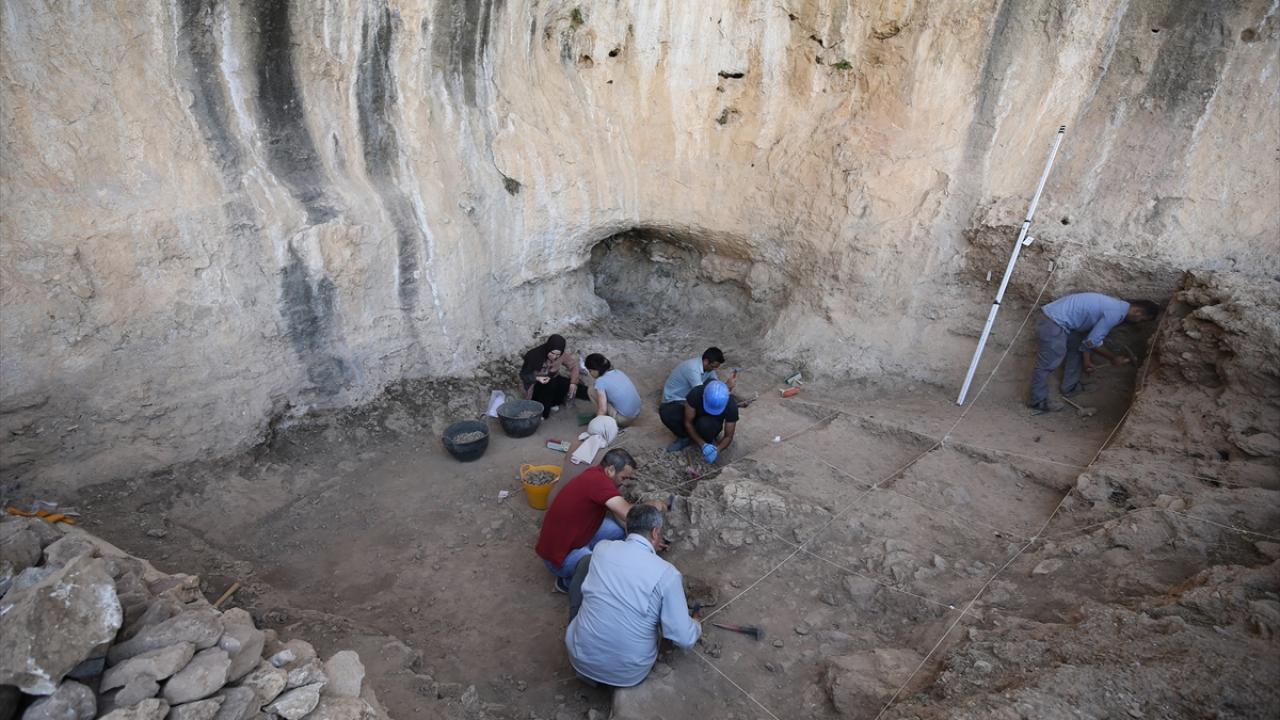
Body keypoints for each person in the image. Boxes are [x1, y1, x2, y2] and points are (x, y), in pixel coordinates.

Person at [565, 504, 701, 688]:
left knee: (585, 565)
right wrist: (695, 624)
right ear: (655, 532)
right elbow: (684, 638)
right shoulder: (667, 574)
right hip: (627, 674)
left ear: (628, 528)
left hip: (579, 659)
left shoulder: (602, 548)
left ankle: (585, 635)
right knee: (658, 613)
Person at [1029, 293, 1160, 413]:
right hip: (1053, 321)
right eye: (1142, 319)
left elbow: (1087, 341)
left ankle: (1069, 387)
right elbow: (1092, 341)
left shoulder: (1117, 306)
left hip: (1062, 321)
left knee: (1076, 347)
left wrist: (1087, 361)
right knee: (1049, 362)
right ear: (1138, 312)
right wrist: (1113, 357)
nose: (1139, 323)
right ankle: (1037, 401)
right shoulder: (1115, 313)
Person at [536, 448, 638, 593]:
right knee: (606, 573)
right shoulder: (600, 483)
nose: (625, 483)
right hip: (560, 558)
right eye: (623, 477)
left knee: (618, 531)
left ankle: (586, 560)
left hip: (572, 540)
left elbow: (621, 514)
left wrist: (634, 532)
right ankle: (567, 582)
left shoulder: (595, 474)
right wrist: (655, 509)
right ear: (610, 470)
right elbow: (630, 514)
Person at [660, 380, 737, 462]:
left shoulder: (731, 406)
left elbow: (728, 436)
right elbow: (688, 422)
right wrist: (702, 444)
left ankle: (708, 441)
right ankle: (684, 437)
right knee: (667, 412)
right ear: (703, 396)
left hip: (710, 425)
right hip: (694, 418)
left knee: (705, 424)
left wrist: (717, 450)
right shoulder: (697, 393)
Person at [520, 334, 586, 418]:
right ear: (548, 348)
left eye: (558, 354)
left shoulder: (562, 355)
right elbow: (524, 375)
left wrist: (573, 383)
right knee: (549, 387)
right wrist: (537, 378)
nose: (555, 357)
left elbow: (574, 366)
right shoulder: (533, 355)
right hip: (535, 386)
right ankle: (543, 413)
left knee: (568, 384)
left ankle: (555, 403)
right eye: (552, 353)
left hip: (552, 380)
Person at [584, 353, 642, 427]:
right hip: (637, 411)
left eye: (590, 371)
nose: (590, 374)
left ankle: (607, 422)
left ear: (596, 370)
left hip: (625, 419)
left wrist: (595, 426)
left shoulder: (600, 382)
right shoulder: (617, 371)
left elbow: (602, 410)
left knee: (591, 390)